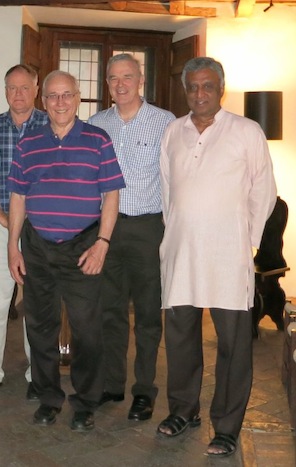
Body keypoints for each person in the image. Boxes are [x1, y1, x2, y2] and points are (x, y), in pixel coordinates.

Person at [156, 57, 277, 458]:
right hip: (182, 251)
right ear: (185, 90)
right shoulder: (173, 132)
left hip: (228, 253)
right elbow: (167, 191)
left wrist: (249, 243)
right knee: (180, 338)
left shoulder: (246, 131)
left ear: (220, 88)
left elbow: (264, 192)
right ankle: (183, 411)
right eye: (192, 87)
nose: (199, 94)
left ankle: (225, 427)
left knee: (233, 344)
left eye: (207, 86)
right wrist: (174, 232)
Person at [8, 70, 125, 431]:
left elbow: (111, 195)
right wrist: (13, 245)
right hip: (38, 247)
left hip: (82, 246)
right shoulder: (28, 143)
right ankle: (48, 397)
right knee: (39, 327)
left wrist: (102, 244)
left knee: (87, 330)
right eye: (53, 96)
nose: (60, 102)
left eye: (67, 95)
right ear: (44, 102)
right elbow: (18, 196)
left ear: (78, 98)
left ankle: (86, 400)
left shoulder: (97, 140)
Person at [88, 53, 175, 421]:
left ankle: (144, 390)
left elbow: (175, 177)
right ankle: (112, 383)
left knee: (148, 314)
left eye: (127, 77)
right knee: (110, 311)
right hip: (106, 230)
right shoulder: (95, 124)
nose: (120, 84)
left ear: (140, 80)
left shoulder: (164, 122)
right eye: (113, 78)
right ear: (106, 83)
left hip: (147, 228)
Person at [0, 64, 47, 399]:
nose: (17, 94)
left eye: (24, 87)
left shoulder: (51, 126)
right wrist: (5, 221)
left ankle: (38, 373)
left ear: (35, 88)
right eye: (11, 88)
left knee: (37, 304)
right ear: (4, 90)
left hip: (40, 230)